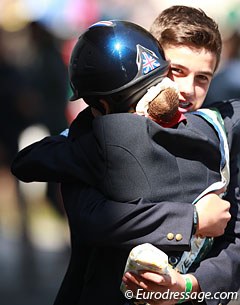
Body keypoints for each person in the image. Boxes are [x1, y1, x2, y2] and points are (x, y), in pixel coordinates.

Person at [11, 7, 240, 305]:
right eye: (176, 72)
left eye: (203, 78)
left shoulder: (219, 134)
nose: (186, 90)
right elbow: (92, 218)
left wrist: (188, 285)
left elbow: (235, 243)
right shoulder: (97, 135)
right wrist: (193, 219)